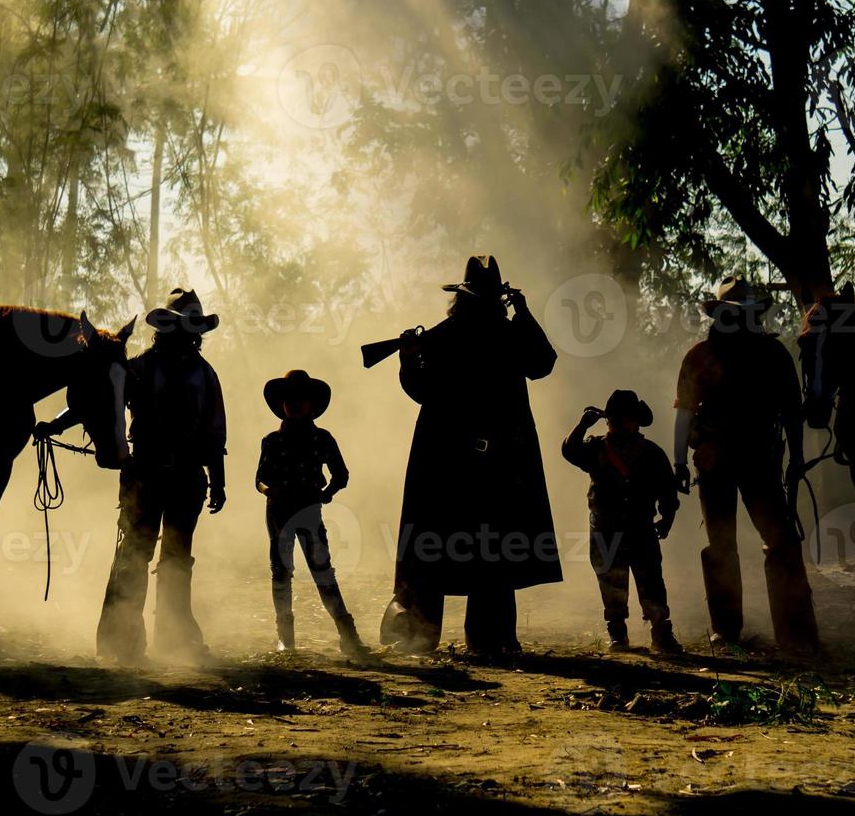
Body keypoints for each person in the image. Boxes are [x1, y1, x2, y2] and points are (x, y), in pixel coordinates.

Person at [380, 255, 561, 661]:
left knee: (487, 549)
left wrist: (525, 314)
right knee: (449, 547)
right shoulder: (450, 337)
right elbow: (423, 389)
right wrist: (408, 358)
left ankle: (485, 641)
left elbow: (543, 363)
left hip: (475, 462)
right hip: (451, 461)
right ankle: (428, 638)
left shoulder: (494, 335)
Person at [36, 287, 227, 664]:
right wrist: (55, 426)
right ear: (165, 329)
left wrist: (217, 478)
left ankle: (174, 639)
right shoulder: (137, 368)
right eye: (179, 327)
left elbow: (214, 432)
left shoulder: (205, 375)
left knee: (176, 557)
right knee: (134, 554)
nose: (186, 336)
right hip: (145, 474)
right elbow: (98, 400)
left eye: (191, 330)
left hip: (188, 476)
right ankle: (119, 642)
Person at [672, 276, 820, 655]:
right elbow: (685, 413)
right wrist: (677, 460)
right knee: (722, 545)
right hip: (716, 461)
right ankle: (726, 631)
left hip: (760, 460)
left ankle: (796, 635)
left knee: (781, 542)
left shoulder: (773, 356)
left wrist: (799, 458)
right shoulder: (700, 357)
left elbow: (791, 413)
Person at [255, 369, 371, 660]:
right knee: (281, 572)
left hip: (308, 510)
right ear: (282, 404)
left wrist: (325, 494)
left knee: (322, 572)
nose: (295, 404)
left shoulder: (322, 438)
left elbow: (341, 475)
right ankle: (286, 640)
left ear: (310, 404)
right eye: (290, 399)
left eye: (301, 399)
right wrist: (270, 491)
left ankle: (348, 636)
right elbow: (259, 478)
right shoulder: (271, 441)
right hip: (278, 512)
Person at [562, 390, 683, 654]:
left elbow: (667, 490)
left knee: (651, 582)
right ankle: (618, 635)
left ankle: (661, 633)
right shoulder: (596, 448)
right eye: (615, 420)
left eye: (625, 419)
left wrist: (667, 518)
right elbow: (570, 452)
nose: (619, 424)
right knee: (610, 582)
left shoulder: (652, 453)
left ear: (636, 421)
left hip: (641, 528)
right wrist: (582, 425)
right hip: (604, 529)